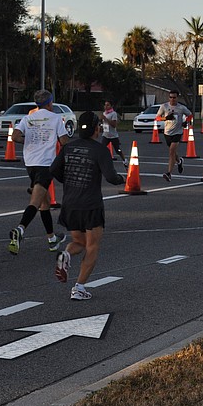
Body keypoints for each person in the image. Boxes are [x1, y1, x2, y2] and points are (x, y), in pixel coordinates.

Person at [51, 111, 125, 300]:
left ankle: (66, 255)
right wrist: (120, 179)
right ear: (95, 129)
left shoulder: (68, 147)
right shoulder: (100, 150)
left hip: (70, 203)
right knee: (92, 246)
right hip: (90, 204)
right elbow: (110, 176)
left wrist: (68, 180)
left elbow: (54, 169)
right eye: (98, 126)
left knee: (79, 242)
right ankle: (79, 288)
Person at [8, 89, 69, 255]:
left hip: (30, 163)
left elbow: (15, 137)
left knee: (45, 202)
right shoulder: (55, 118)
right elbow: (64, 141)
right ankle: (20, 229)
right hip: (46, 164)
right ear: (50, 103)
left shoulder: (28, 118)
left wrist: (28, 141)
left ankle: (52, 239)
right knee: (35, 202)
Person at [155, 90, 193, 182]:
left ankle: (169, 173)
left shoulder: (181, 108)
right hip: (167, 132)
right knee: (173, 152)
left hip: (178, 132)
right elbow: (157, 118)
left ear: (177, 98)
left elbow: (190, 115)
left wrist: (186, 122)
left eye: (174, 97)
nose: (172, 99)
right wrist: (165, 118)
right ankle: (179, 161)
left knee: (171, 151)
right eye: (171, 97)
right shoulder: (164, 106)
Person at [100, 99, 127, 168]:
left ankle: (124, 160)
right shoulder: (104, 113)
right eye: (105, 105)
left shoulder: (113, 114)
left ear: (111, 106)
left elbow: (114, 125)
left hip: (113, 135)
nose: (106, 106)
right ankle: (102, 161)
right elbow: (103, 124)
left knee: (117, 150)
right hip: (105, 135)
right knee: (101, 148)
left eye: (108, 105)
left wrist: (105, 119)